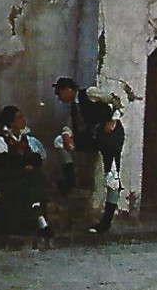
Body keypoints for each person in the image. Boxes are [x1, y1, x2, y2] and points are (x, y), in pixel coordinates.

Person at [52, 77, 124, 234]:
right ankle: (69, 179)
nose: (59, 98)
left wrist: (113, 119)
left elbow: (116, 99)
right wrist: (67, 134)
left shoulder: (90, 93)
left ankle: (106, 221)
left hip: (110, 136)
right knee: (59, 142)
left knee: (112, 177)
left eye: (59, 94)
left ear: (67, 90)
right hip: (94, 136)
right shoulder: (75, 106)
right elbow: (72, 124)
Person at [0, 106, 53, 239]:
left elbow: (37, 159)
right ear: (11, 122)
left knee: (36, 175)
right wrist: (23, 166)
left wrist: (31, 165)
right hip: (11, 180)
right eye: (19, 117)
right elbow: (5, 163)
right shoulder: (0, 142)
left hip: (28, 179)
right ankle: (39, 218)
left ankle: (37, 211)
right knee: (27, 180)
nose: (23, 120)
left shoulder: (29, 141)